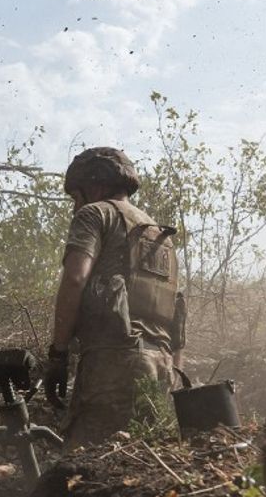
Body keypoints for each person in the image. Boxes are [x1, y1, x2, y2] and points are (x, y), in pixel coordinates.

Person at [44, 147, 186, 448]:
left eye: (75, 198)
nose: (74, 207)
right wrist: (172, 372)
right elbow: (177, 316)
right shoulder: (161, 236)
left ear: (94, 186)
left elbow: (75, 278)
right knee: (138, 466)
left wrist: (58, 353)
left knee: (85, 470)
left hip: (113, 363)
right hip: (160, 366)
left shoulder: (95, 213)